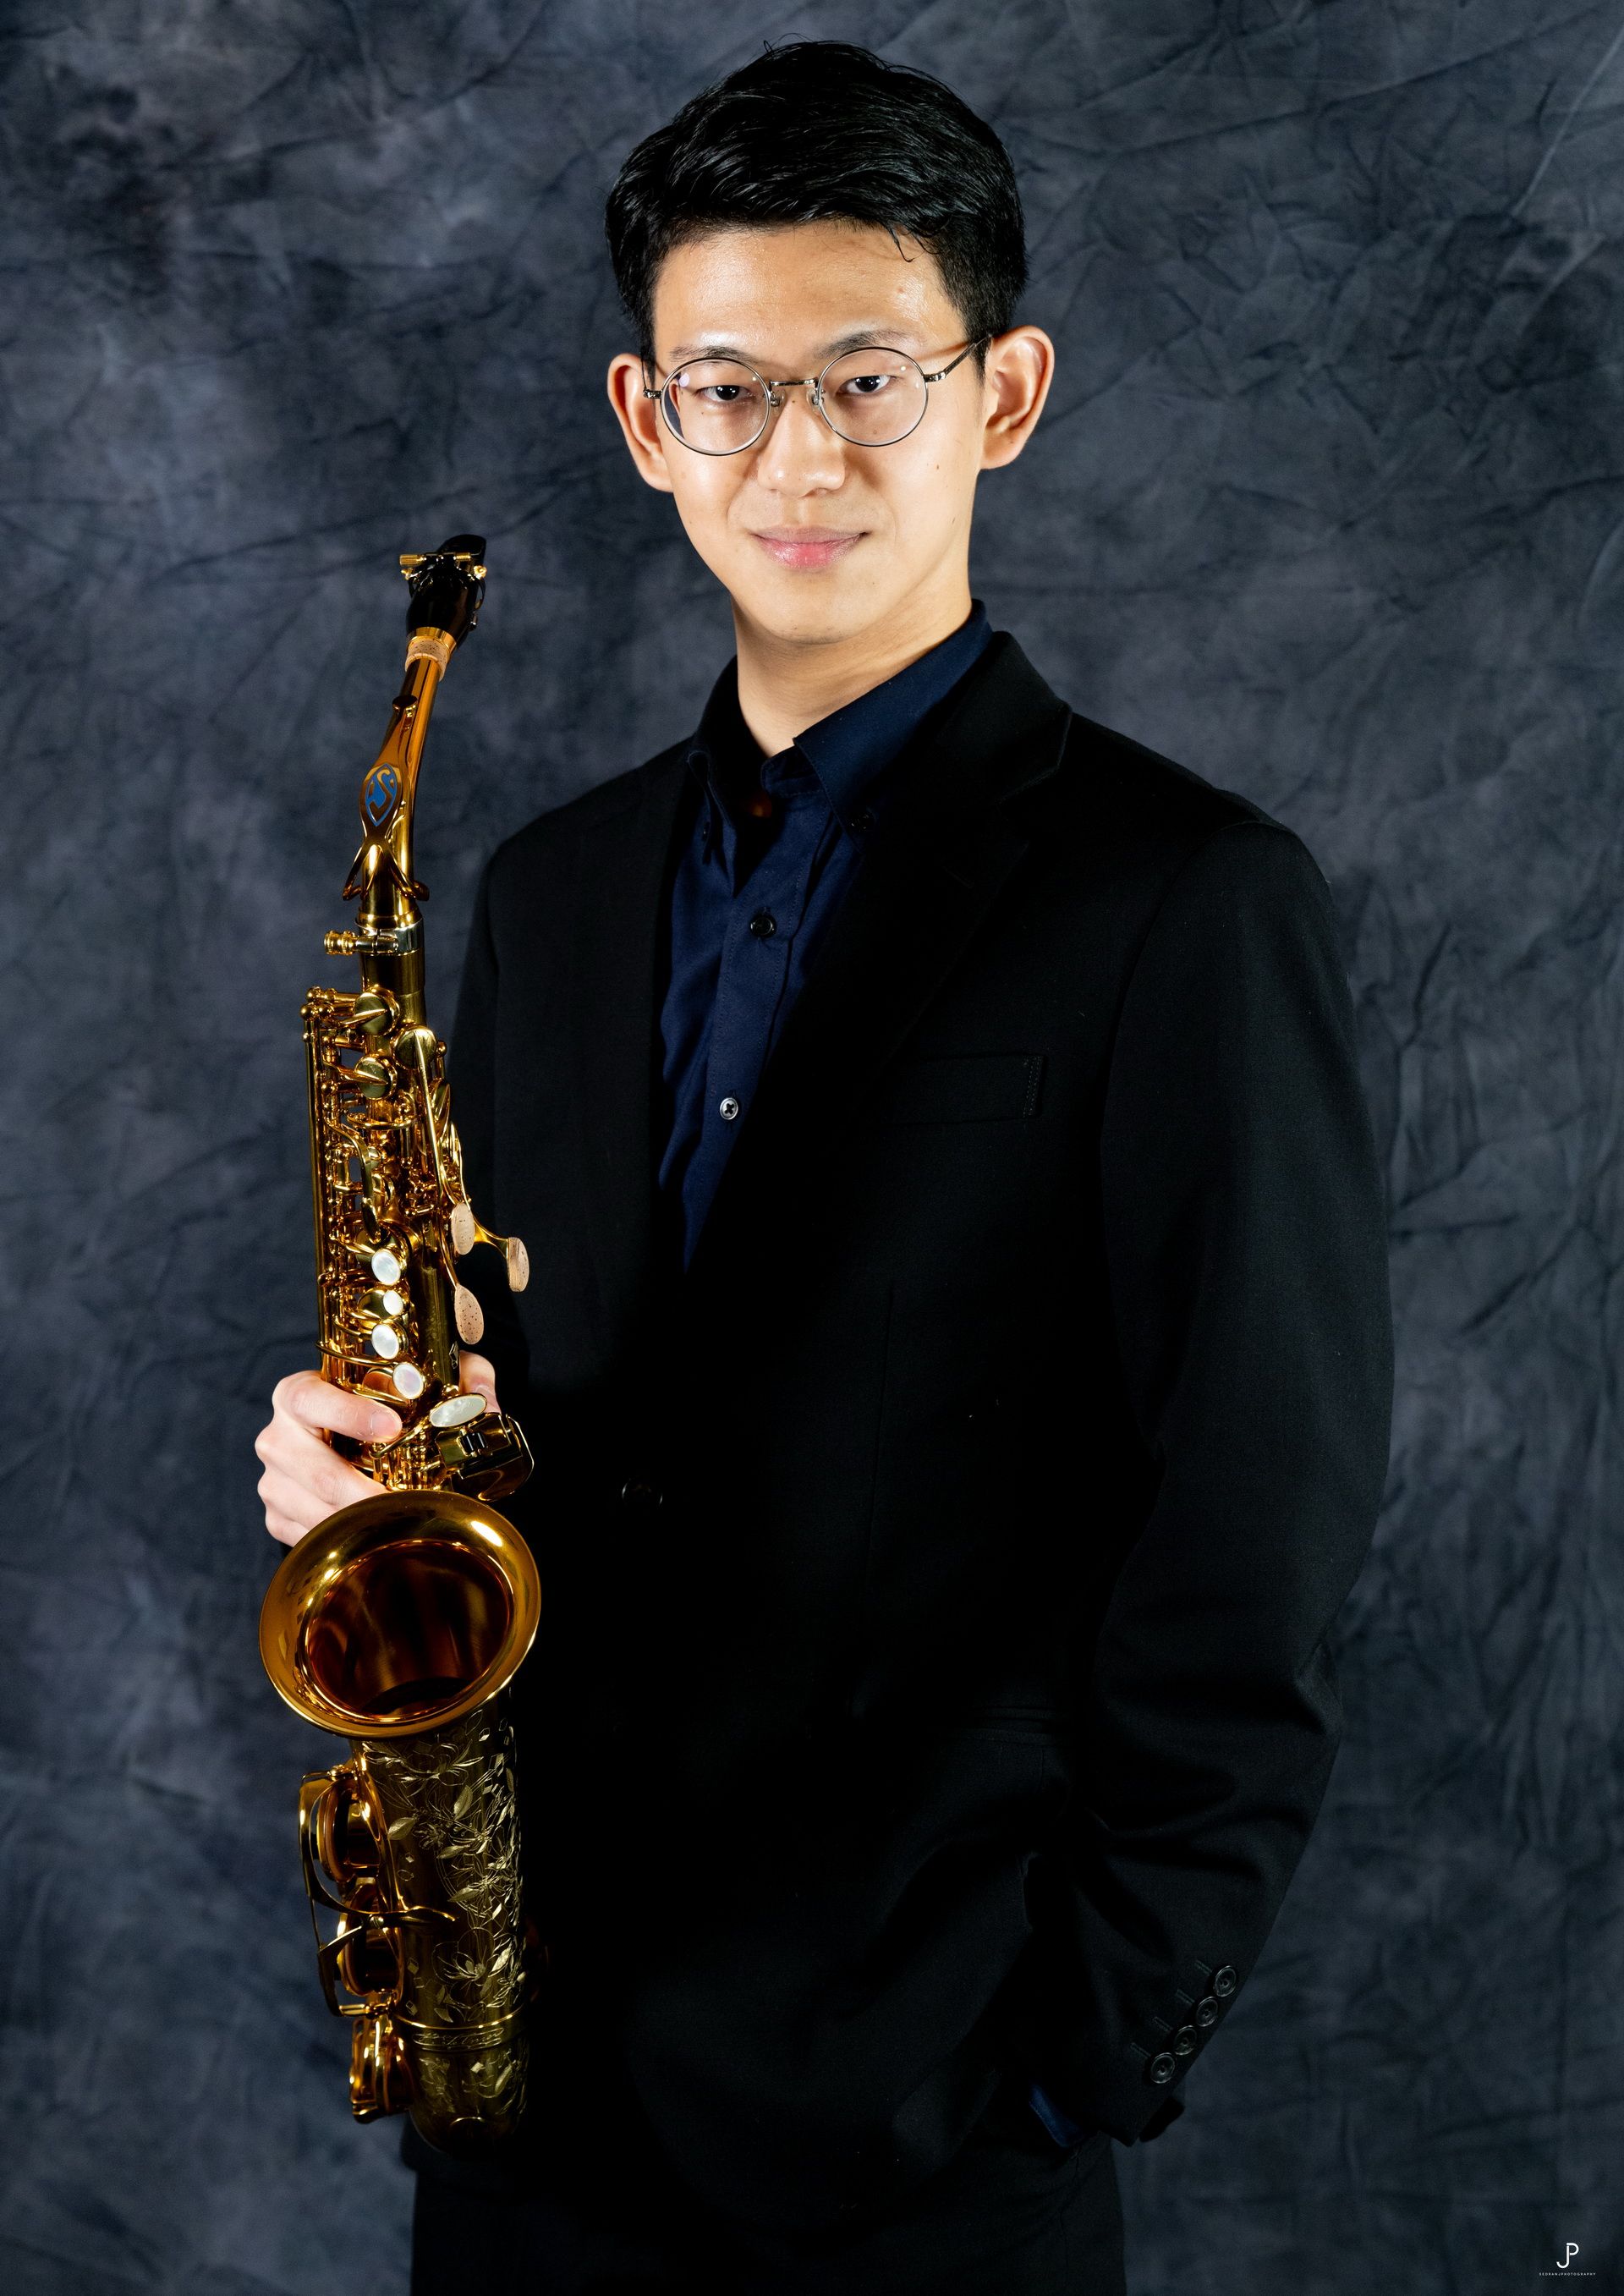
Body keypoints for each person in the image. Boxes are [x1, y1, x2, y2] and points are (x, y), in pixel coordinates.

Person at [254, 39, 1394, 2296]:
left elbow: (1257, 1527)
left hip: (926, 2120)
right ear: (642, 419)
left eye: (870, 379)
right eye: (730, 389)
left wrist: (1075, 2057)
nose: (799, 455)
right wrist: (377, 1468)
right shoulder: (551, 891)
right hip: (532, 2094)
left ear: (1006, 395)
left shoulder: (1188, 900)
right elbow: (547, 1397)